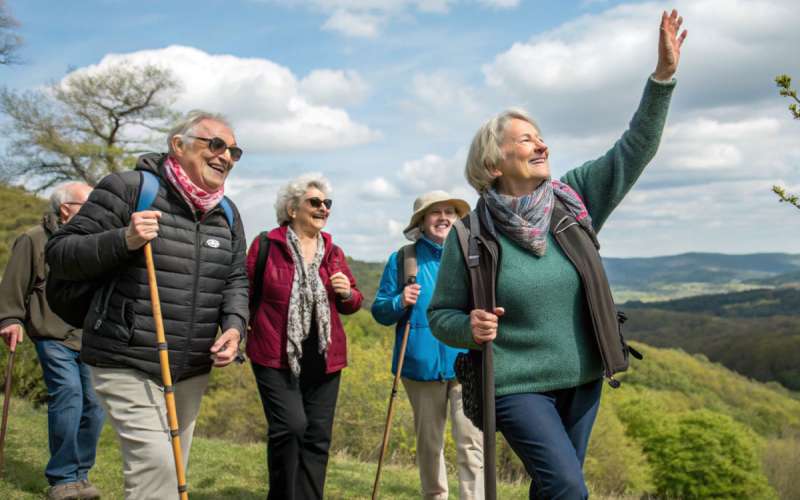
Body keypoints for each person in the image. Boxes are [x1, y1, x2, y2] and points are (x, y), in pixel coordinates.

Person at [428, 10, 687, 500]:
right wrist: (470, 326)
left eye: (541, 136)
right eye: (526, 139)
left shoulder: (573, 201)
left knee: (551, 490)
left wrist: (663, 78)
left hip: (584, 378)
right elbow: (441, 314)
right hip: (513, 384)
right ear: (493, 161)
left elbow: (634, 149)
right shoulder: (469, 235)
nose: (541, 143)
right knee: (570, 489)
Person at [45, 110, 249, 499]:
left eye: (234, 152)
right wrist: (125, 238)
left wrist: (235, 326)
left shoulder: (227, 213)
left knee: (173, 475)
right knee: (156, 469)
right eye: (216, 145)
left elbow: (235, 277)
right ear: (178, 145)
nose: (226, 157)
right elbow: (61, 253)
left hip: (190, 366)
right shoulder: (128, 189)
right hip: (127, 358)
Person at [246, 173, 363, 500]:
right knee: (290, 427)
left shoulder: (333, 251)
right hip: (274, 354)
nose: (323, 208)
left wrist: (346, 293)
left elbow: (354, 301)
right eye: (315, 202)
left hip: (325, 359)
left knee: (317, 437)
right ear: (292, 209)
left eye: (327, 203)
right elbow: (245, 293)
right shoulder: (267, 245)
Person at [372, 191, 484, 500]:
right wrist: (399, 300)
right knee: (430, 445)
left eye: (450, 212)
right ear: (421, 221)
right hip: (419, 368)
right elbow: (380, 310)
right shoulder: (403, 259)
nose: (444, 217)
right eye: (436, 212)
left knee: (472, 445)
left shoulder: (470, 257)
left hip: (467, 365)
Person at [0, 182, 104, 500]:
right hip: (51, 332)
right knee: (69, 396)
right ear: (66, 209)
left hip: (88, 335)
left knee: (95, 406)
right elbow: (14, 284)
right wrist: (10, 320)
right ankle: (61, 479)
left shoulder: (92, 241)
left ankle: (80, 474)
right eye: (88, 206)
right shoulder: (33, 239)